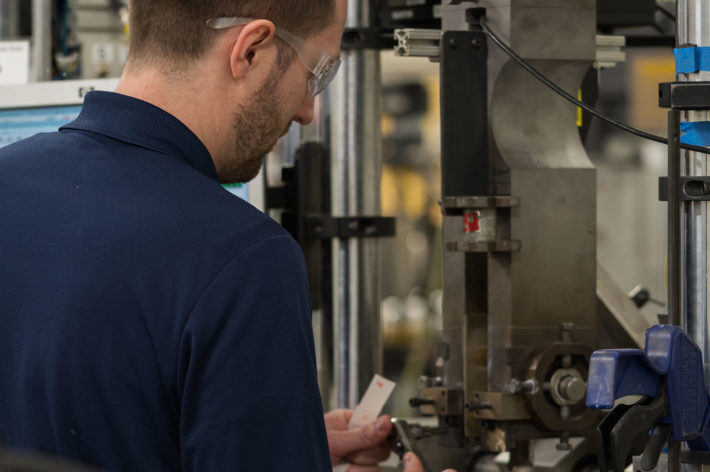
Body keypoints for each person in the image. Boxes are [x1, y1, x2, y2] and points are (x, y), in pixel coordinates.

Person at [0, 0, 451, 470]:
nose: (307, 111)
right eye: (317, 72)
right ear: (251, 50)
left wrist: (280, 438)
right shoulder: (246, 257)